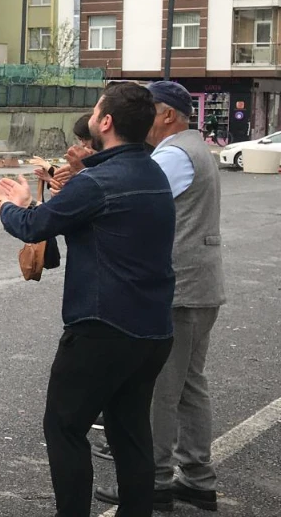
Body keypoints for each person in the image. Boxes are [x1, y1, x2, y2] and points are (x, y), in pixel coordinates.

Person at [0, 82, 176, 517]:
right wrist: (44, 196)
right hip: (152, 330)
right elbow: (70, 218)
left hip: (102, 329)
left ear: (105, 122)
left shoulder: (99, 182)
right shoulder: (152, 173)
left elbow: (34, 226)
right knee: (130, 431)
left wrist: (6, 205)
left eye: (95, 110)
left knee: (64, 426)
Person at [93, 82, 226, 513]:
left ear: (167, 115)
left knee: (159, 389)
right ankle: (198, 478)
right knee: (190, 385)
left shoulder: (172, 155)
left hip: (180, 288)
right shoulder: (195, 148)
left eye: (149, 109)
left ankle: (154, 480)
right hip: (202, 284)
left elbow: (131, 199)